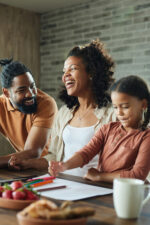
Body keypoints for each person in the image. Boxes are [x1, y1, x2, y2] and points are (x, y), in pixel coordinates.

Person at [19, 39, 116, 174]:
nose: (65, 76)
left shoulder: (113, 115)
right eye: (64, 71)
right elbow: (54, 156)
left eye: (73, 69)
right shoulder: (64, 113)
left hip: (96, 189)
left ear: (91, 73)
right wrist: (30, 163)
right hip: (64, 185)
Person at [49, 75, 150, 182]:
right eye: (115, 107)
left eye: (125, 107)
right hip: (102, 189)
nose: (119, 113)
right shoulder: (107, 128)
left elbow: (137, 175)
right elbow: (86, 152)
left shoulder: (146, 137)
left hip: (127, 193)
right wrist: (64, 166)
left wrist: (100, 176)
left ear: (143, 104)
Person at [0, 58, 57, 169]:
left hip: (50, 168)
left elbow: (33, 152)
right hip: (23, 167)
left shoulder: (46, 103)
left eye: (32, 86)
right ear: (7, 93)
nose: (30, 94)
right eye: (22, 90)